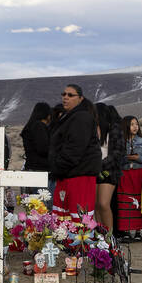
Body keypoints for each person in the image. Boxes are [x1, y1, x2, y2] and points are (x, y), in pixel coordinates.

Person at [49, 84, 102, 218]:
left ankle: (79, 240)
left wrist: (58, 166)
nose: (65, 97)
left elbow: (75, 148)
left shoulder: (81, 117)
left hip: (79, 176)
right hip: (68, 174)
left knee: (78, 220)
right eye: (64, 94)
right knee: (64, 220)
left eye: (70, 95)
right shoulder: (69, 117)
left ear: (80, 99)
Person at [94, 102, 125, 233]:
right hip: (94, 170)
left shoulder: (114, 129)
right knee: (95, 206)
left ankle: (109, 236)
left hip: (109, 171)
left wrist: (101, 165)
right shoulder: (92, 129)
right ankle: (100, 235)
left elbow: (118, 152)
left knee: (104, 204)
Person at [118, 115, 142, 239]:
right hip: (125, 173)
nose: (135, 127)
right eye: (132, 124)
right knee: (125, 201)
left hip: (139, 173)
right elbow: (117, 157)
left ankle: (137, 231)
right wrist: (126, 158)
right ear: (126, 125)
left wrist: (138, 158)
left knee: (139, 200)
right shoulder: (120, 141)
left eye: (136, 124)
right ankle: (126, 230)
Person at [20, 102, 52, 172]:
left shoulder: (31, 125)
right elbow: (43, 148)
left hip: (32, 166)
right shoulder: (38, 126)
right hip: (40, 168)